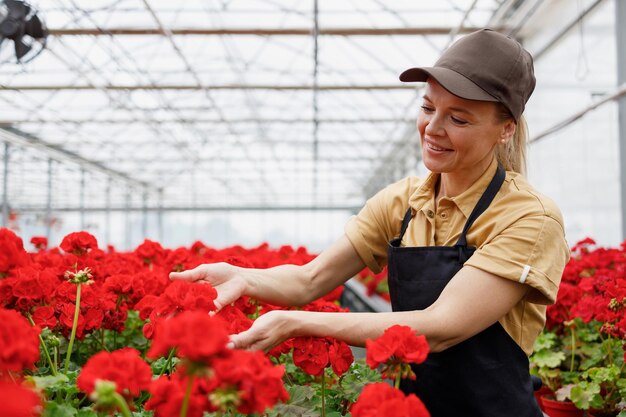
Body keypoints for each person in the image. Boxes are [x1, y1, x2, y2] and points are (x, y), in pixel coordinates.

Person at [171, 29, 570, 416]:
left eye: (459, 120)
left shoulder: (529, 218)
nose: (432, 129)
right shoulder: (401, 203)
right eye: (428, 107)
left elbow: (440, 327)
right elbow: (310, 280)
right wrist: (244, 278)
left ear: (505, 129)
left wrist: (295, 323)